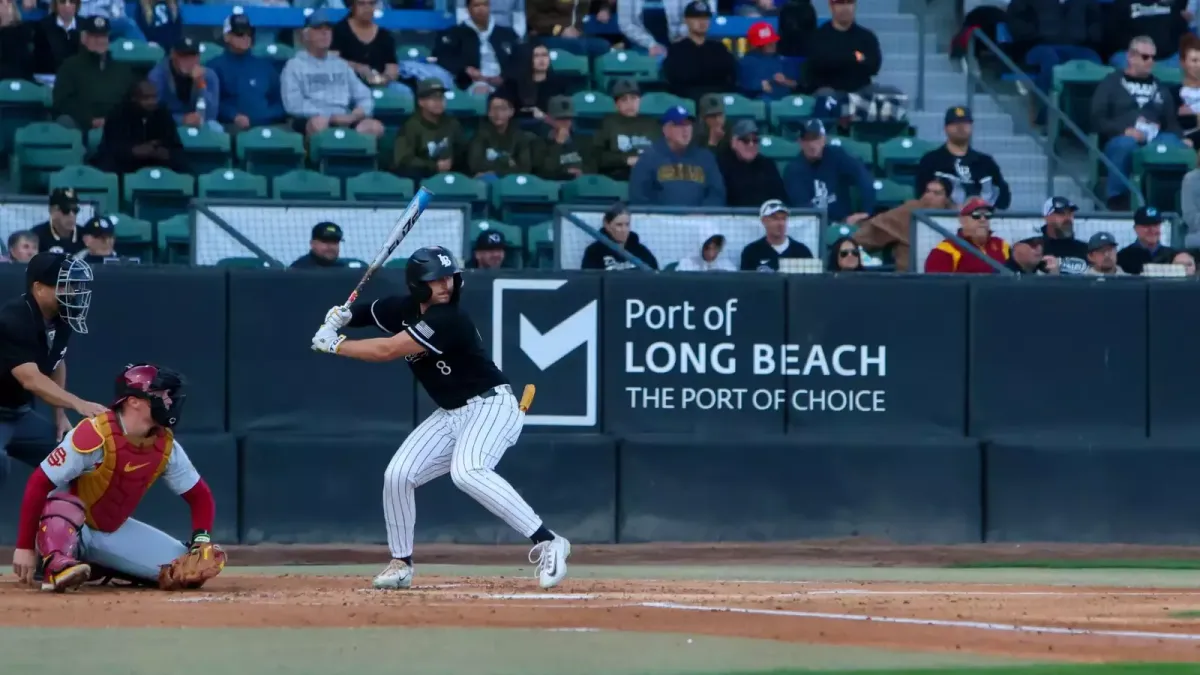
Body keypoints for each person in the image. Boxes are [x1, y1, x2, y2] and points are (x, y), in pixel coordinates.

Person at [311, 247, 573, 591]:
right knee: (398, 475)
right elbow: (369, 313)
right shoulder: (402, 308)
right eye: (435, 280)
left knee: (467, 472)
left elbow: (386, 350)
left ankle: (548, 540)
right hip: (451, 413)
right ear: (418, 285)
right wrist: (344, 316)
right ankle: (401, 563)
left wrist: (335, 344)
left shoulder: (448, 319)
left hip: (492, 407)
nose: (445, 285)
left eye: (449, 277)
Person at [9, 363, 226, 593]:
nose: (170, 401)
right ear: (134, 401)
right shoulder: (94, 433)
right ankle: (55, 563)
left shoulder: (165, 445)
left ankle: (102, 563)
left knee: (186, 568)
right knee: (61, 502)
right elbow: (39, 482)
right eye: (162, 395)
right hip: (64, 527)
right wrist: (24, 547)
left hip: (108, 530)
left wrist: (201, 540)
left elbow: (200, 496)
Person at [0, 252, 106, 491]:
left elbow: (57, 362)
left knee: (74, 458)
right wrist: (78, 404)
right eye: (65, 285)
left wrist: (59, 415)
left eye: (75, 285)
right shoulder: (13, 319)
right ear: (38, 288)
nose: (73, 291)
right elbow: (32, 379)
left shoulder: (62, 317)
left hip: (19, 413)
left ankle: (66, 525)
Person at [1091, 36, 1188, 209]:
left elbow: (1171, 123)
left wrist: (1181, 139)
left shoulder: (1160, 87)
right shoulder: (1111, 82)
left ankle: (1170, 200)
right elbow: (1097, 118)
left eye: (1153, 57)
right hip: (1120, 138)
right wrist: (1123, 130)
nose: (1150, 62)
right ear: (1131, 57)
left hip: (1154, 140)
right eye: (1145, 57)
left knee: (1174, 144)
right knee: (1125, 145)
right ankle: (1117, 200)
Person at [281, 10, 384, 140]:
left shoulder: (340, 64)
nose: (325, 33)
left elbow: (364, 95)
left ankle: (353, 159)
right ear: (305, 35)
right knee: (319, 124)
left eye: (328, 29)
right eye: (318, 29)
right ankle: (317, 159)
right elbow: (293, 105)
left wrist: (356, 114)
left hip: (345, 117)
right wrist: (329, 116)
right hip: (312, 118)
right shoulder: (294, 65)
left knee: (374, 127)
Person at [914, 106, 1012, 209]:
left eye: (965, 123)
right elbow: (921, 195)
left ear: (971, 127)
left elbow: (1004, 197)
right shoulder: (930, 160)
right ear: (945, 128)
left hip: (983, 219)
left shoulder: (986, 162)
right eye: (955, 123)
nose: (960, 127)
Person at [629, 106, 725, 206]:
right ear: (666, 130)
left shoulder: (705, 158)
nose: (685, 130)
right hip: (659, 220)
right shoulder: (648, 158)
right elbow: (639, 197)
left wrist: (703, 213)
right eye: (679, 125)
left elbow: (717, 194)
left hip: (700, 220)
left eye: (688, 125)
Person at [51, 16, 135, 132]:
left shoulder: (121, 68)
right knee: (65, 121)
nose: (100, 41)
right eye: (95, 36)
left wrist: (110, 120)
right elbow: (62, 101)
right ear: (84, 38)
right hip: (81, 125)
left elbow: (129, 101)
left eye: (103, 36)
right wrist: (88, 119)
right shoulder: (70, 66)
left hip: (116, 126)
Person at [851, 178, 952, 273]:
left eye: (937, 193)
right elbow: (870, 233)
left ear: (947, 199)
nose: (929, 196)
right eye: (927, 191)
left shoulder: (955, 217)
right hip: (907, 278)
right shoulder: (906, 212)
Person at [783, 119, 874, 224]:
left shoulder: (836, 155)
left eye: (816, 139)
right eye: (807, 140)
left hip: (844, 221)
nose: (812, 145)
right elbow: (804, 210)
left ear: (824, 139)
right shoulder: (793, 170)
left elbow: (863, 176)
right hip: (814, 226)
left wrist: (866, 212)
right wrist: (832, 224)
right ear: (800, 142)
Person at [208, 14, 286, 132]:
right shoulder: (214, 66)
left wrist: (264, 116)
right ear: (226, 36)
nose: (245, 37)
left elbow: (279, 103)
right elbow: (211, 102)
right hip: (232, 127)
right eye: (240, 33)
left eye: (249, 33)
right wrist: (233, 115)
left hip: (268, 125)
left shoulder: (265, 65)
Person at [94, 79, 187, 176]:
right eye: (146, 98)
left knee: (183, 168)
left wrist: (165, 153)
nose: (152, 102)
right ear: (134, 98)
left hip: (157, 163)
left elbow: (176, 147)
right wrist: (133, 151)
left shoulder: (163, 114)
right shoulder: (118, 115)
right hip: (126, 165)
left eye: (154, 97)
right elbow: (110, 148)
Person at [433, 0, 520, 95]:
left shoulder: (508, 34)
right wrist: (465, 69)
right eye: (476, 5)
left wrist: (504, 77)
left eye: (484, 5)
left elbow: (519, 60)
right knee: (481, 90)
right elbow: (442, 57)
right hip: (470, 85)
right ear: (468, 9)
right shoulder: (454, 33)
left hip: (505, 85)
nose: (481, 9)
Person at [331, 0, 411, 99]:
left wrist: (386, 77)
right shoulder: (338, 30)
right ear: (352, 7)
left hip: (379, 81)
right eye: (361, 4)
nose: (367, 8)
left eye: (371, 3)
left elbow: (392, 65)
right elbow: (331, 59)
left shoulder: (384, 34)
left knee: (404, 91)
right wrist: (357, 67)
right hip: (347, 81)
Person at [662, 0, 737, 101]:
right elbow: (675, 80)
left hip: (718, 99)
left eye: (705, 17)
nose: (702, 22)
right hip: (688, 100)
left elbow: (731, 76)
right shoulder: (677, 49)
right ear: (686, 20)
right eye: (696, 17)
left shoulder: (719, 48)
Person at [393, 79, 467, 180]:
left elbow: (462, 151)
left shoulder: (452, 123)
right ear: (421, 102)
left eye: (441, 97)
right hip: (422, 176)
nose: (438, 102)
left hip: (449, 174)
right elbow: (403, 159)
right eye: (433, 98)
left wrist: (451, 161)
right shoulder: (411, 126)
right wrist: (433, 166)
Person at [802, 0, 882, 94]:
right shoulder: (818, 37)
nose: (845, 8)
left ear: (854, 5)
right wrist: (855, 57)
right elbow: (817, 65)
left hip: (860, 93)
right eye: (840, 3)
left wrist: (837, 58)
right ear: (831, 6)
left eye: (849, 2)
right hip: (828, 93)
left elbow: (873, 66)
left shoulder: (867, 37)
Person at [147, 37, 222, 133]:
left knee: (215, 128)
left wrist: (200, 84)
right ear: (173, 55)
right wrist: (182, 119)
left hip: (199, 123)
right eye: (183, 56)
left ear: (198, 57)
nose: (188, 61)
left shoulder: (209, 76)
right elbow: (152, 114)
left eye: (193, 56)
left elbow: (211, 115)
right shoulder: (158, 76)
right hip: (169, 125)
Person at [592, 79, 661, 181]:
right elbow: (598, 158)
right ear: (616, 104)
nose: (630, 103)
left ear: (640, 100)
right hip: (618, 175)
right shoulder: (607, 123)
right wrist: (626, 160)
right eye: (624, 99)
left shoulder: (653, 124)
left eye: (633, 98)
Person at [923, 197, 1011, 274]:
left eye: (987, 215)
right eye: (976, 215)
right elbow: (937, 287)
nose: (983, 219)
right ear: (962, 220)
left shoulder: (1002, 245)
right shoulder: (946, 250)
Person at [716, 119, 787, 207]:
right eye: (746, 140)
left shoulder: (767, 164)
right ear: (734, 143)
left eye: (755, 140)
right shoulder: (721, 164)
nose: (751, 145)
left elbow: (781, 198)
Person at [467, 91, 533, 178]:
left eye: (503, 109)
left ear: (511, 111)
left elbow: (524, 168)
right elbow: (475, 165)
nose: (498, 113)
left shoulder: (520, 137)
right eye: (494, 109)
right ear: (488, 112)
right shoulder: (479, 135)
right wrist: (509, 162)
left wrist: (494, 169)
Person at [739, 199, 815, 271]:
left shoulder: (802, 252)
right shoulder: (751, 252)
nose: (780, 223)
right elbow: (746, 282)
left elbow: (810, 282)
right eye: (775, 219)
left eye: (783, 218)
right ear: (763, 221)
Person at [504, 42, 571, 123]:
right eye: (536, 56)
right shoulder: (515, 83)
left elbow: (565, 119)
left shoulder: (559, 84)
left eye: (544, 55)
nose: (541, 60)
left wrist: (542, 116)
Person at [580, 203, 658, 270]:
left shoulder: (641, 251)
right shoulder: (594, 252)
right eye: (619, 225)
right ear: (607, 224)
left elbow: (655, 277)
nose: (624, 229)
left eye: (627, 224)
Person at [533, 95, 594, 180]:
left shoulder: (582, 140)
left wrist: (581, 171)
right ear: (548, 119)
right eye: (560, 118)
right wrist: (558, 144)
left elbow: (592, 166)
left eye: (568, 118)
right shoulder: (539, 142)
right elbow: (545, 171)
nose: (565, 122)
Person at [526, 0, 610, 57]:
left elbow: (601, 2)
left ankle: (592, 81)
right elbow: (533, 18)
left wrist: (604, 9)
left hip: (578, 36)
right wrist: (560, 30)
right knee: (578, 46)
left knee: (603, 46)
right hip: (547, 35)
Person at [739, 21, 798, 101]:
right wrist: (761, 85)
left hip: (785, 104)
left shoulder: (783, 60)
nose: (772, 44)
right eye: (767, 43)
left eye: (772, 41)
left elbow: (796, 84)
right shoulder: (746, 62)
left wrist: (785, 81)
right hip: (758, 105)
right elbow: (743, 86)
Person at [1117, 205, 1177, 274]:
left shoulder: (1172, 256)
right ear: (1136, 228)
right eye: (1146, 225)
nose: (1152, 230)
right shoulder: (1123, 257)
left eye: (1155, 225)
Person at [1038, 196, 1090, 274]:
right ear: (1047, 218)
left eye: (1070, 214)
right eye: (1061, 214)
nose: (1067, 218)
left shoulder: (1085, 249)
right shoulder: (1036, 249)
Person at [31, 0, 79, 79]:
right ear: (56, 4)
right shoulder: (43, 26)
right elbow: (40, 60)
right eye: (62, 2)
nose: (67, 5)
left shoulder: (84, 26)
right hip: (49, 77)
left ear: (77, 5)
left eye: (72, 2)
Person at [31, 188, 84, 257]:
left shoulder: (84, 235)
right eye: (65, 210)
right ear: (52, 211)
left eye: (75, 210)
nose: (72, 215)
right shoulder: (37, 235)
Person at [0, 0, 34, 83]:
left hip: (19, 83)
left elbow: (23, 66)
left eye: (8, 2)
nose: (5, 5)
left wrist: (7, 24)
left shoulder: (24, 31)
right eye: (0, 2)